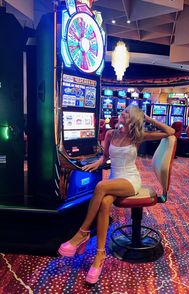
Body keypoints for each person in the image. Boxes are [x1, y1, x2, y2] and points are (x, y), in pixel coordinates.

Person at [58, 105, 175, 284]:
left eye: (127, 112)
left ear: (133, 119)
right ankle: (99, 256)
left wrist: (148, 119)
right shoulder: (111, 134)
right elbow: (105, 158)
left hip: (130, 180)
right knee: (104, 203)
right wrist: (96, 164)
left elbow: (170, 131)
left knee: (100, 187)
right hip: (115, 178)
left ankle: (82, 232)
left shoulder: (138, 137)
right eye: (123, 111)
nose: (122, 113)